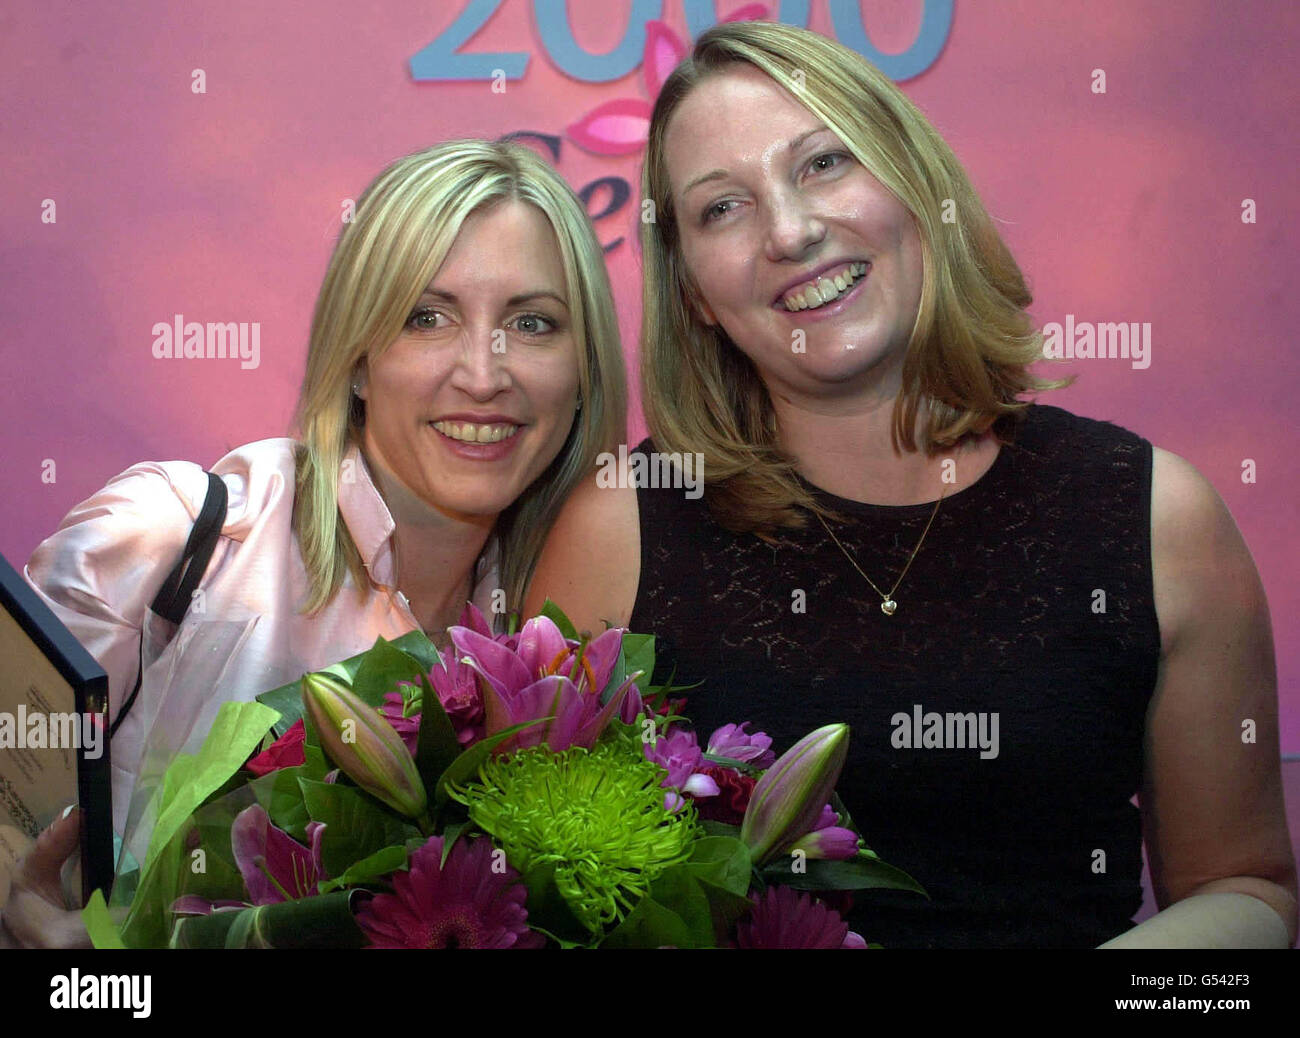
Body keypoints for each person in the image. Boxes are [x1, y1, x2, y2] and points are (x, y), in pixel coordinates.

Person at [524, 22, 1297, 949]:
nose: (792, 229)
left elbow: (1249, 894)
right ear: (692, 289)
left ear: (915, 186)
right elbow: (539, 910)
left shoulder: (1156, 514)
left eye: (822, 164)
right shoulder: (619, 529)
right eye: (721, 208)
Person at [1, 138, 627, 947]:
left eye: (532, 323)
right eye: (426, 318)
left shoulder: (560, 652)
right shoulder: (172, 539)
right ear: (359, 358)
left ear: (584, 377)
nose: (484, 373)